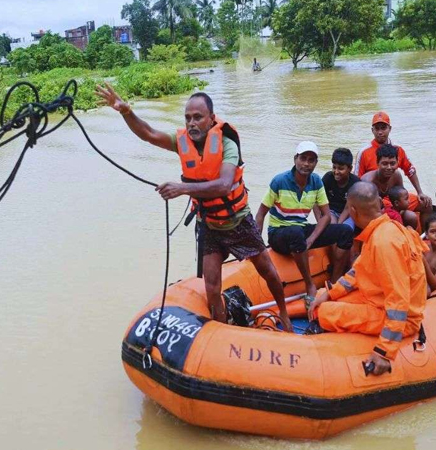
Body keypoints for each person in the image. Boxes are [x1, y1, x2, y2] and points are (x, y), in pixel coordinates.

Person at [95, 84, 293, 332]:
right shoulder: (182, 142)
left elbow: (223, 185)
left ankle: (284, 313)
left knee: (268, 271)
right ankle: (221, 330)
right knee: (211, 286)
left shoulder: (227, 143)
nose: (192, 123)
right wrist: (126, 112)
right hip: (209, 224)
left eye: (198, 117)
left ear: (211, 119)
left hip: (237, 221)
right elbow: (148, 133)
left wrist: (182, 188)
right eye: (187, 118)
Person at [308, 182, 428, 376]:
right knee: (323, 296)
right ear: (380, 203)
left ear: (353, 211)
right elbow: (356, 272)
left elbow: (398, 300)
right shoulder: (383, 230)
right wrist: (330, 293)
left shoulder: (384, 242)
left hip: (401, 317)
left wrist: (384, 351)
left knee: (325, 313)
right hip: (375, 298)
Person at [256, 141, 355, 304]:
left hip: (300, 231)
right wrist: (257, 247)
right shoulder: (279, 181)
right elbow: (260, 214)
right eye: (303, 158)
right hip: (278, 233)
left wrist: (311, 239)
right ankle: (310, 284)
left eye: (311, 160)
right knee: (295, 231)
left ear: (316, 163)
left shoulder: (316, 181)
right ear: (295, 159)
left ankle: (335, 279)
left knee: (345, 231)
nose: (306, 164)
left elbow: (326, 216)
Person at [355, 112, 432, 210]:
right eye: (377, 128)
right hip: (374, 199)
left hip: (394, 198)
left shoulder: (398, 149)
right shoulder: (364, 152)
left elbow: (410, 170)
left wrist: (420, 192)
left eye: (383, 128)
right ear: (372, 130)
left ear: (389, 129)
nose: (380, 132)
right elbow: (357, 180)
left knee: (426, 204)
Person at [361, 144, 421, 228]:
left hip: (391, 207)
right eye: (385, 164)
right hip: (372, 215)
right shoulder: (367, 182)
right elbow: (366, 211)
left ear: (397, 162)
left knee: (415, 213)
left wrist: (420, 193)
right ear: (377, 163)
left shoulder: (396, 175)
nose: (389, 167)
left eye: (392, 163)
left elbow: (401, 198)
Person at [321, 148, 361, 225]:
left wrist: (339, 225)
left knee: (346, 228)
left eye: (341, 169)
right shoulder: (328, 178)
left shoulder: (355, 183)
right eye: (334, 167)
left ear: (350, 168)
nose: (336, 172)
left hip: (349, 212)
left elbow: (348, 208)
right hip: (331, 211)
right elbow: (319, 200)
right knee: (332, 225)